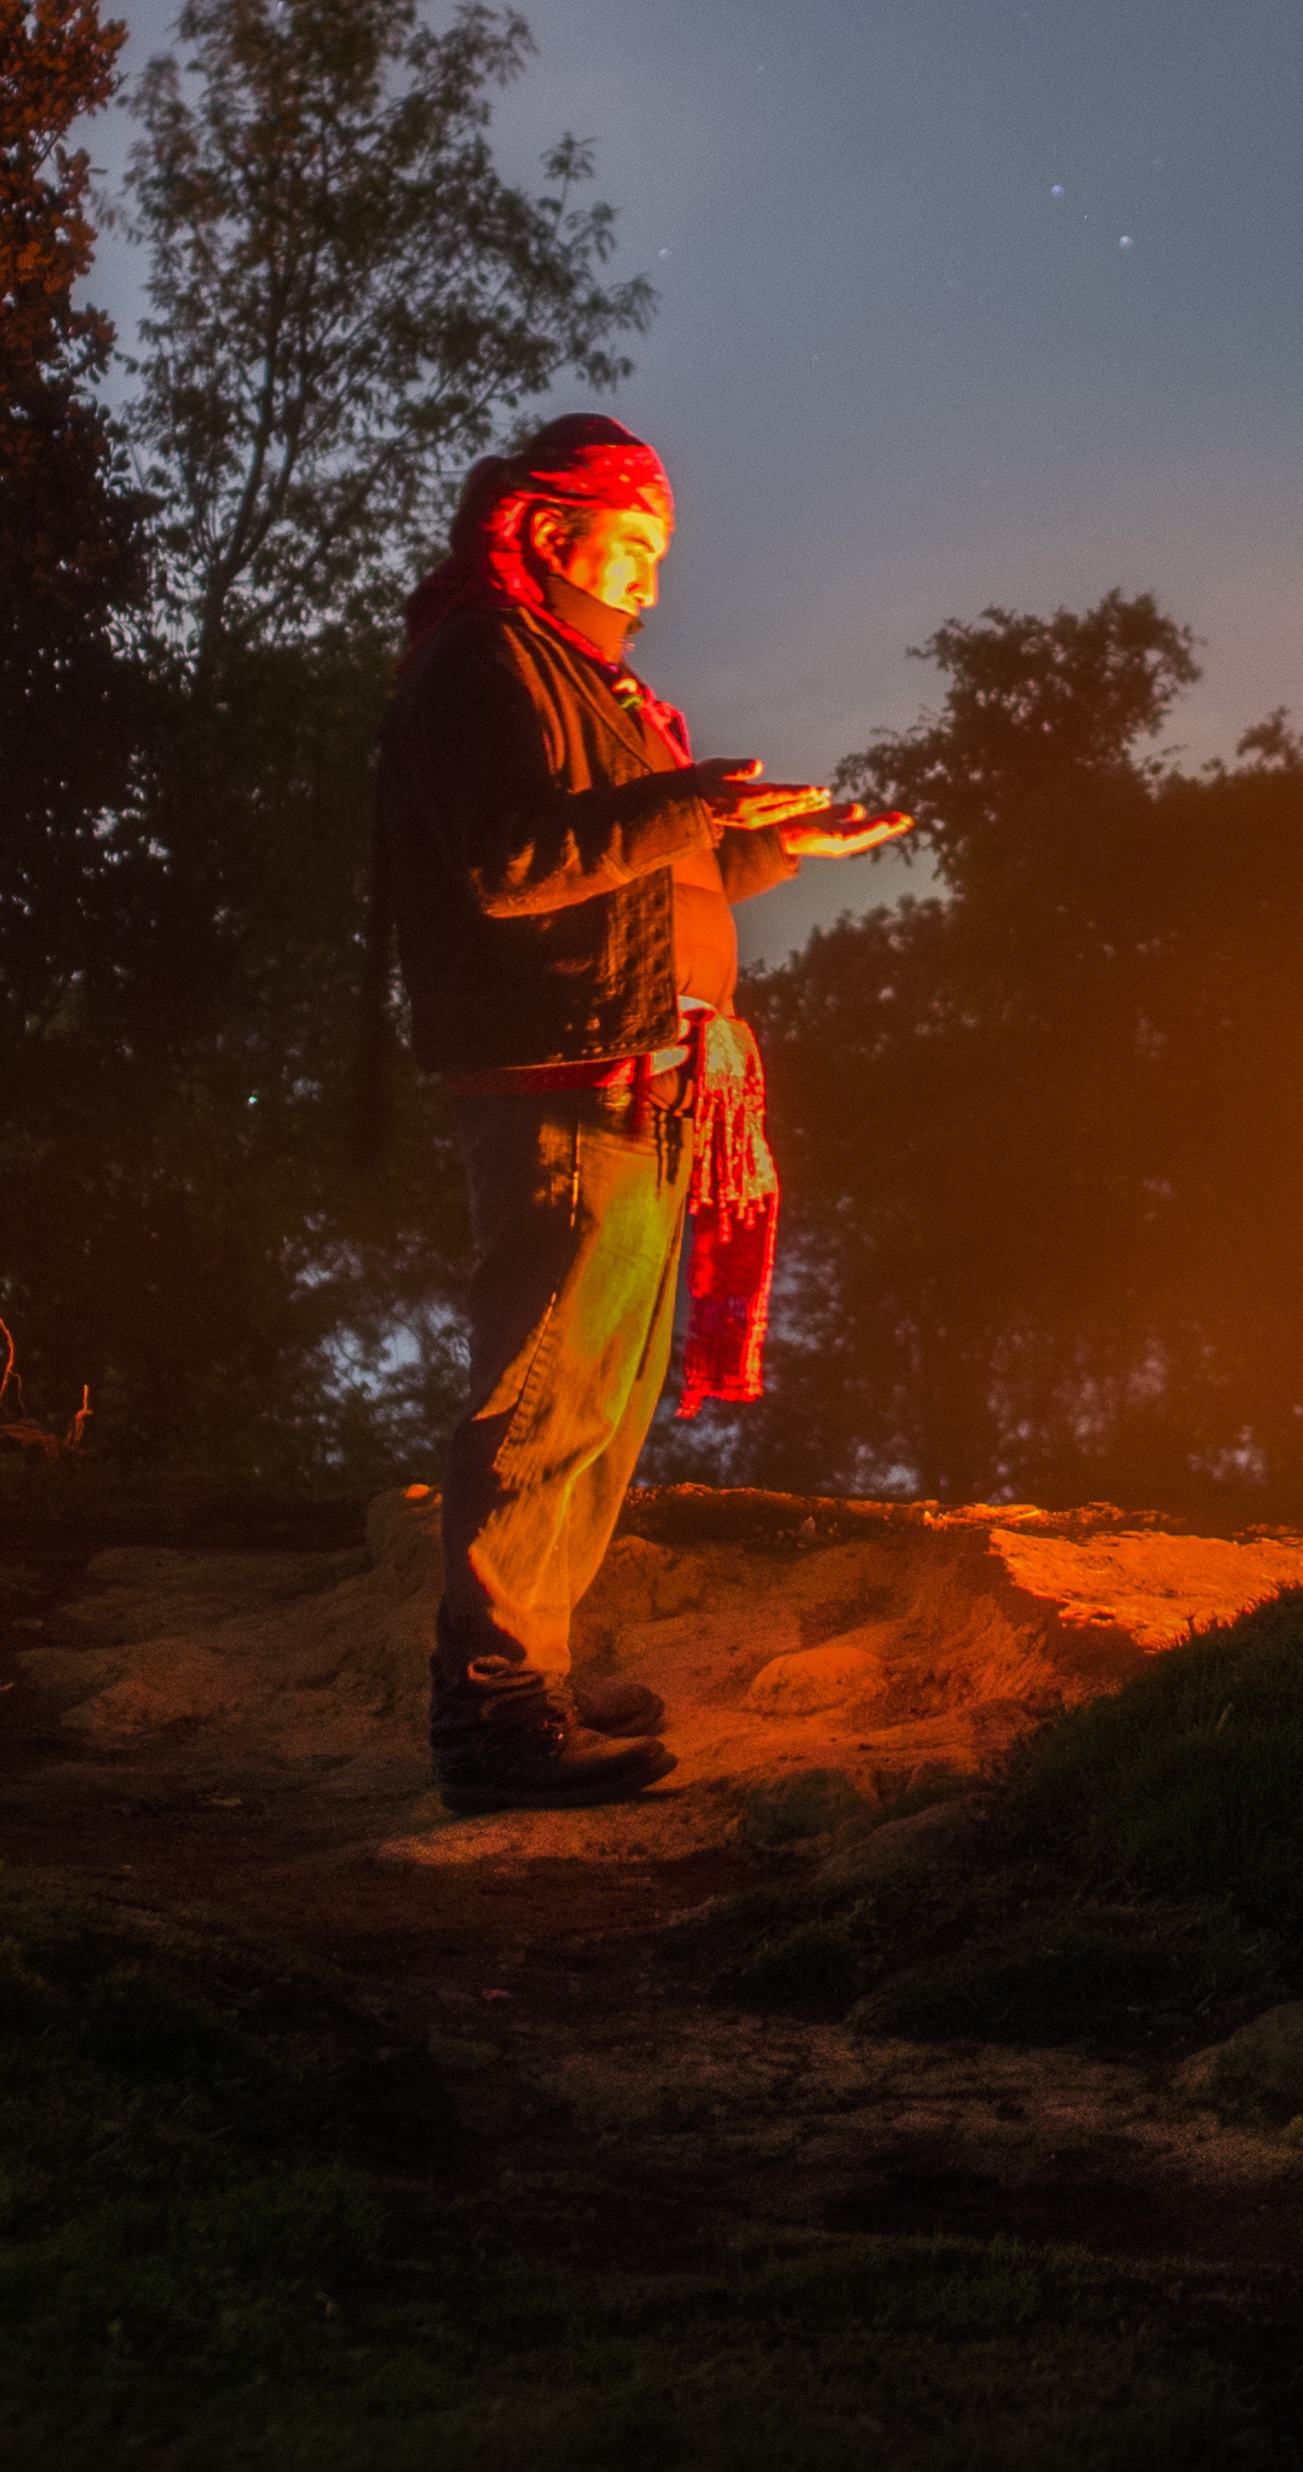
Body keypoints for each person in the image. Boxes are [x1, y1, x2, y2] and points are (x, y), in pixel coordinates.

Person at [374, 414, 906, 1812]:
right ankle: (490, 1718)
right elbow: (513, 864)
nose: (652, 581)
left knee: (601, 1404)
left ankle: (528, 1671)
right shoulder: (481, 664)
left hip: (643, 1074)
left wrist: (769, 844)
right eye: (634, 546)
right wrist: (685, 800)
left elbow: (651, 882)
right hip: (562, 1080)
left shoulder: (584, 683)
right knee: (547, 1393)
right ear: (551, 533)